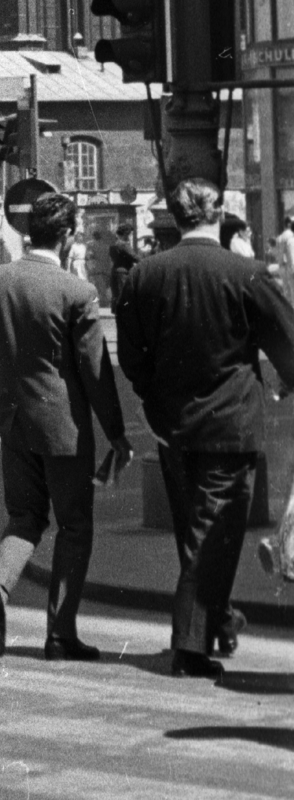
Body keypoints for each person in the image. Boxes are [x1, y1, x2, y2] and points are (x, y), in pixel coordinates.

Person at [117, 177, 294, 679]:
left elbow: (131, 358)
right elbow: (289, 344)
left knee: (197, 533)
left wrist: (156, 396)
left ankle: (215, 622)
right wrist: (282, 384)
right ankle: (190, 645)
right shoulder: (247, 273)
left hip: (173, 426)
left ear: (175, 216)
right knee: (214, 534)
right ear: (218, 214)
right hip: (231, 424)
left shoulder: (145, 275)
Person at [0, 192, 132, 661]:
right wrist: (117, 434)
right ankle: (60, 634)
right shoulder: (76, 292)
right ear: (65, 236)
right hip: (63, 429)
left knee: (25, 517)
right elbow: (96, 373)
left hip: (14, 423)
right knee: (75, 525)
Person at [108, 221, 138, 311]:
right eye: (129, 234)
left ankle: (118, 310)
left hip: (116, 270)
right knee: (124, 293)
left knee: (117, 293)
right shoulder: (123, 244)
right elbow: (134, 256)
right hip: (123, 272)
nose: (129, 236)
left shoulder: (115, 244)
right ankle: (124, 311)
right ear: (126, 233)